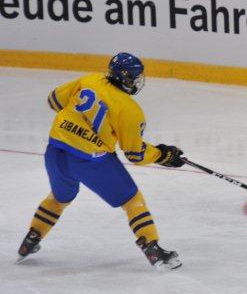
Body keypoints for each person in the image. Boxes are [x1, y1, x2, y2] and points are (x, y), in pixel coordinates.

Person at [17, 52, 185, 270]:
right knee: (132, 200)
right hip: (90, 162)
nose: (137, 82)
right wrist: (163, 155)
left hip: (55, 152)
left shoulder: (90, 79)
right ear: (127, 79)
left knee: (59, 198)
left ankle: (31, 238)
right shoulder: (130, 109)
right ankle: (153, 249)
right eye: (135, 78)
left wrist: (78, 120)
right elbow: (135, 154)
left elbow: (54, 100)